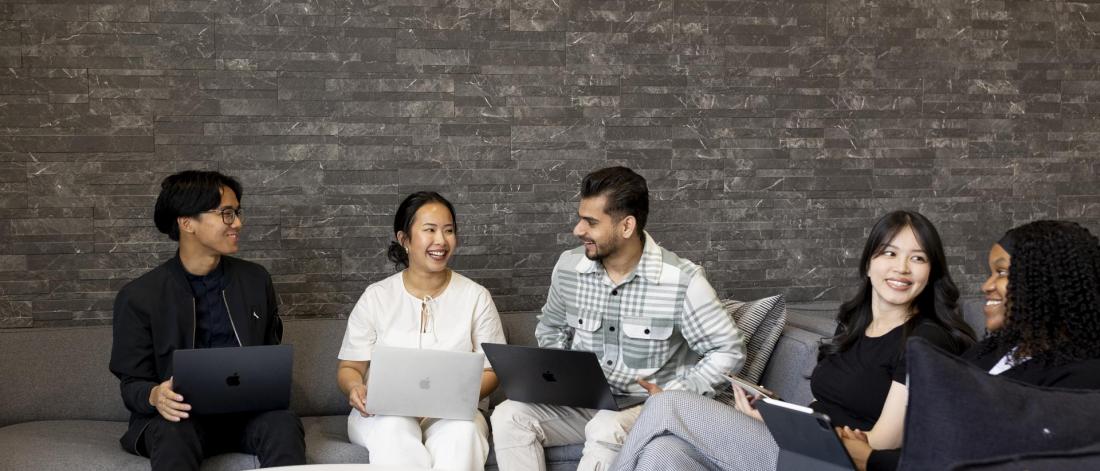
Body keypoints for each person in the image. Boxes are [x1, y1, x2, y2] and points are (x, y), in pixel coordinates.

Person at [609, 209, 977, 471]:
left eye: (918, 258)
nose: (901, 268)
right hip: (806, 445)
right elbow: (828, 406)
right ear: (869, 263)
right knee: (665, 454)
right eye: (890, 253)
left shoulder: (925, 340)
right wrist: (774, 411)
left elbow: (881, 445)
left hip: (835, 461)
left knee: (667, 404)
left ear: (932, 272)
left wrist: (803, 431)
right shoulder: (854, 324)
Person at [489, 166, 746, 471]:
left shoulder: (682, 281)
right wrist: (558, 374)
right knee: (508, 415)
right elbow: (552, 326)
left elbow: (729, 350)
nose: (578, 230)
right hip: (585, 401)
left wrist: (678, 395)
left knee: (606, 428)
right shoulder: (569, 268)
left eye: (591, 222)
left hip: (646, 406)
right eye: (581, 218)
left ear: (626, 226)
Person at [838, 219, 1100, 470]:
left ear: (1045, 282)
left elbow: (1002, 462)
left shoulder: (1081, 378)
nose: (986, 286)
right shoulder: (990, 353)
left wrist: (872, 460)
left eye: (1001, 272)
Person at [109, 171, 306, 471]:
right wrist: (155, 395)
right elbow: (131, 383)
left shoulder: (255, 280)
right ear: (187, 222)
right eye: (226, 214)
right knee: (172, 431)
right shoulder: (139, 296)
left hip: (246, 415)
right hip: (180, 419)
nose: (238, 223)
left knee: (283, 423)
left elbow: (268, 353)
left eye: (237, 212)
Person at [336, 191, 506, 471]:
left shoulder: (476, 296)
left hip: (453, 414)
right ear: (404, 240)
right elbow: (350, 366)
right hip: (385, 413)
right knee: (394, 431)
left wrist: (454, 397)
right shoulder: (376, 296)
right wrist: (355, 387)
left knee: (463, 436)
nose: (441, 240)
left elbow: (492, 371)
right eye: (430, 230)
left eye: (448, 230)